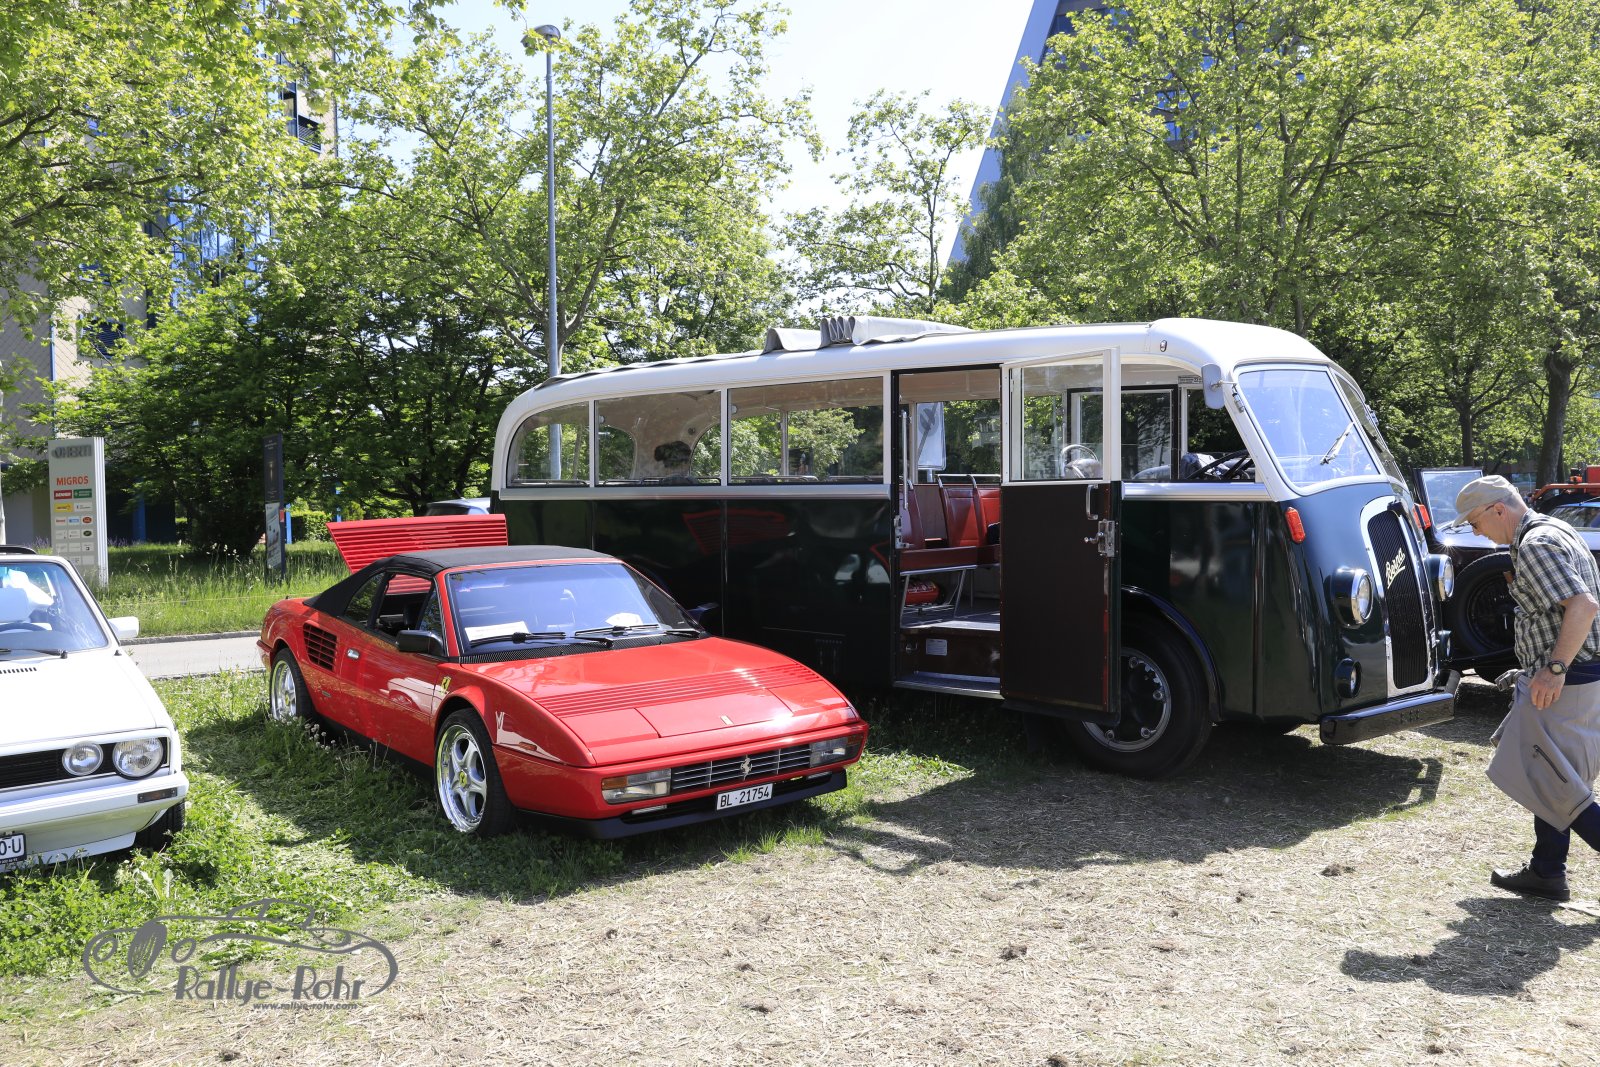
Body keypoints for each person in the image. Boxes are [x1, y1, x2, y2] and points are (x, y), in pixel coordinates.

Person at [1451, 474, 1600, 902]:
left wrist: (1554, 668)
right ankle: (1546, 871)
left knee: (1554, 781)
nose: (1476, 532)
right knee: (1551, 775)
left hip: (1569, 677)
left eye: (1475, 523)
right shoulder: (1554, 530)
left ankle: (1547, 871)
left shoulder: (1535, 544)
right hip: (1582, 674)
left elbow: (1584, 605)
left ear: (1498, 509)